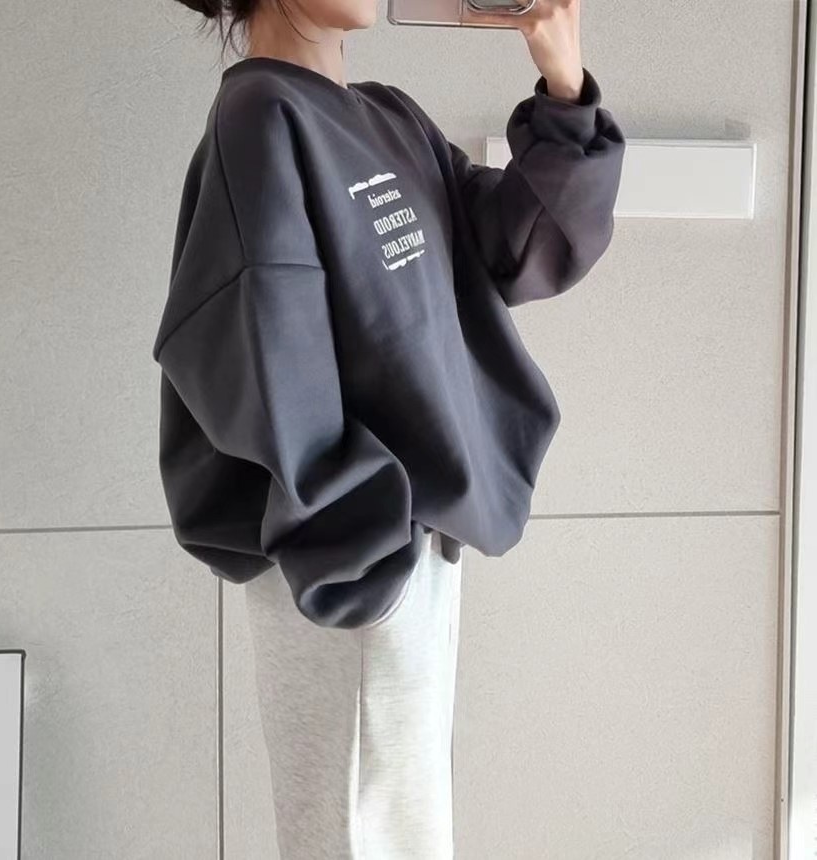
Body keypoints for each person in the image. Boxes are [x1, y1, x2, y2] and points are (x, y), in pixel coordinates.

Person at [151, 0, 625, 855]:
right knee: (362, 837)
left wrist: (562, 82)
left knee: (401, 835)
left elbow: (517, 249)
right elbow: (261, 351)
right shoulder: (259, 117)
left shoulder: (388, 116)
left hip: (411, 549)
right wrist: (366, 557)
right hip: (348, 564)